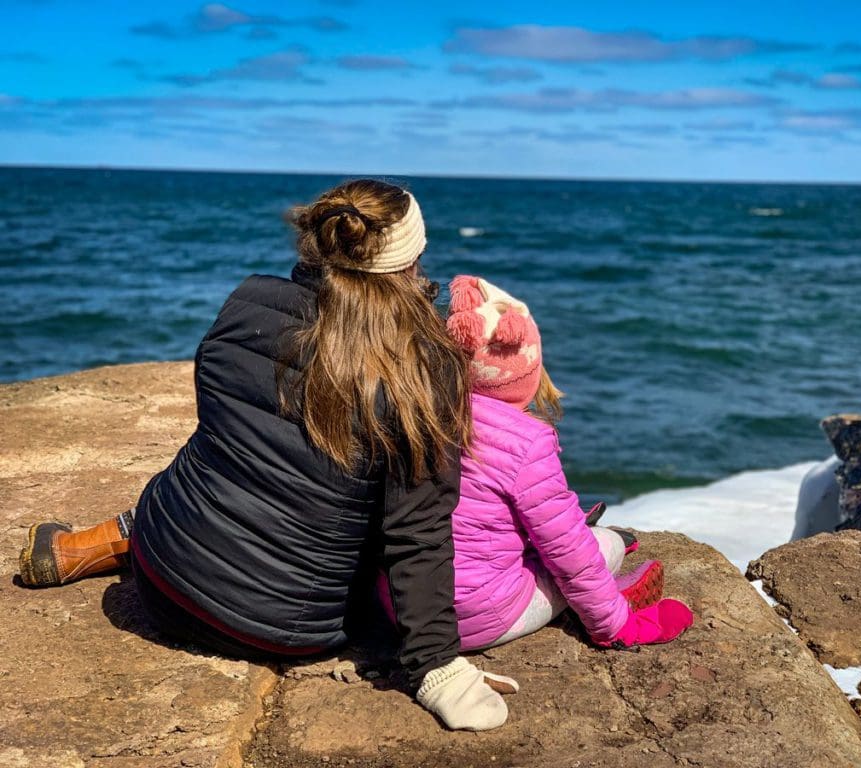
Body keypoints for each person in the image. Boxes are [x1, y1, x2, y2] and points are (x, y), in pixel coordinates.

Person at [17, 180, 517, 732]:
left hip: (163, 575)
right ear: (414, 258)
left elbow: (228, 437)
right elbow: (416, 532)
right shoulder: (424, 365)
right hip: (276, 626)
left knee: (219, 466)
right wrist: (438, 666)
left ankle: (99, 542)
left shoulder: (247, 303)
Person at [440, 275, 694, 650]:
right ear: (528, 374)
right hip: (473, 617)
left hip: (404, 608)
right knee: (605, 546)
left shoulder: (422, 413)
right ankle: (616, 597)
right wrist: (616, 629)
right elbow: (570, 555)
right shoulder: (526, 442)